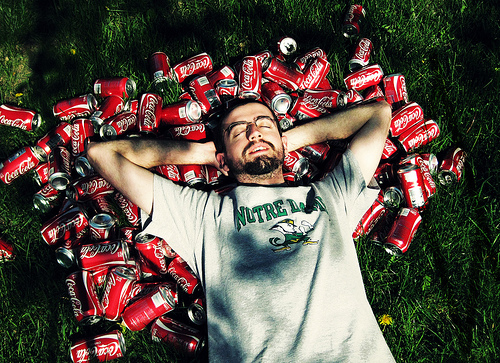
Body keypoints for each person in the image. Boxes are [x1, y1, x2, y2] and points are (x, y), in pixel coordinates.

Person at [87, 98, 395, 362]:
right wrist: (205, 155)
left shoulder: (330, 195)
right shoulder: (201, 213)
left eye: (264, 124)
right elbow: (103, 154)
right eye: (238, 131)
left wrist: (289, 140)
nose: (253, 131)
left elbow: (378, 114)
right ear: (223, 157)